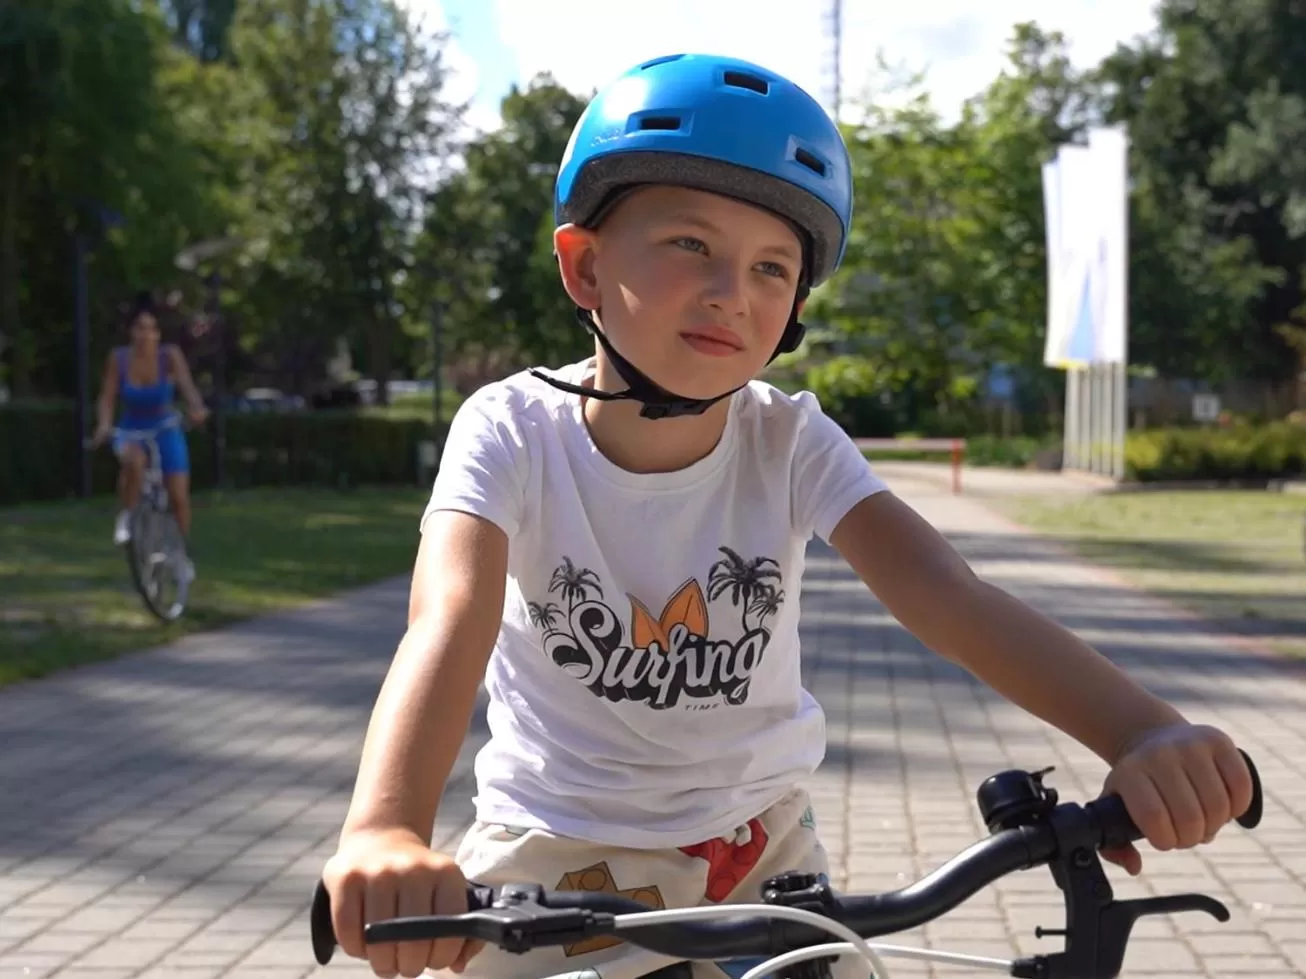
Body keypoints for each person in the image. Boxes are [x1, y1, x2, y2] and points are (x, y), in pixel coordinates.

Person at [321, 54, 1255, 979]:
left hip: (761, 856)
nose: (735, 290)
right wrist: (386, 827)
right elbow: (448, 621)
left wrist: (1141, 732)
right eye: (691, 244)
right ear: (585, 265)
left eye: (773, 266)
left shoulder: (792, 439)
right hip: (555, 856)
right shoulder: (510, 431)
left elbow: (951, 598)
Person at [91, 294, 209, 583]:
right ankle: (128, 516)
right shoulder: (118, 359)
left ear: (158, 333)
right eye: (139, 328)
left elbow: (187, 387)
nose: (145, 334)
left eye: (151, 328)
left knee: (179, 495)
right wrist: (104, 425)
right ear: (131, 332)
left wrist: (196, 408)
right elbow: (107, 397)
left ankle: (180, 555)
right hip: (131, 427)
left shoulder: (169, 356)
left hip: (165, 426)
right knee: (134, 461)